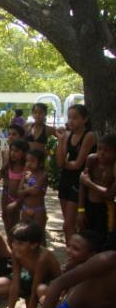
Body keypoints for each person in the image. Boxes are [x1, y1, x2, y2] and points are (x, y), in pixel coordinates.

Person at [0, 221, 62, 308]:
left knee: (40, 290)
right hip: (33, 279)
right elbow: (15, 283)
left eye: (20, 244)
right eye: (14, 242)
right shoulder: (16, 253)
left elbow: (34, 292)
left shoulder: (42, 258)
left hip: (50, 286)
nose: (15, 246)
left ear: (34, 244)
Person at [57, 104, 96, 243]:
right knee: (68, 225)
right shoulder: (68, 135)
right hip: (65, 179)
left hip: (79, 181)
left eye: (75, 118)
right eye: (69, 118)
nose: (71, 121)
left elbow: (78, 164)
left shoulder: (89, 135)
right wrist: (61, 141)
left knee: (69, 225)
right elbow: (60, 162)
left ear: (84, 119)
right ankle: (72, 256)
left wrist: (66, 164)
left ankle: (73, 258)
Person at [77, 133, 116, 247]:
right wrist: (80, 210)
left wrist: (89, 182)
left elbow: (110, 194)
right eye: (99, 149)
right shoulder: (92, 159)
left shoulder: (114, 167)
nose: (102, 153)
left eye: (107, 150)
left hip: (106, 209)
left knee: (102, 242)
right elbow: (82, 186)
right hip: (88, 206)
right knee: (84, 239)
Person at [0, 139, 29, 240]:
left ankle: (15, 239)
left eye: (17, 151)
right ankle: (10, 239)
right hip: (8, 195)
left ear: (24, 153)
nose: (13, 153)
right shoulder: (10, 164)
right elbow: (2, 172)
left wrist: (18, 203)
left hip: (19, 199)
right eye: (12, 150)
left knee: (15, 220)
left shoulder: (25, 168)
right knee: (6, 216)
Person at [18, 149, 48, 233]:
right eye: (27, 161)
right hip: (25, 208)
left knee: (39, 236)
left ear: (41, 163)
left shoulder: (43, 175)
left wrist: (26, 188)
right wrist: (28, 187)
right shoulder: (27, 175)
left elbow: (35, 192)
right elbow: (19, 192)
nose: (29, 163)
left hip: (38, 210)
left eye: (32, 161)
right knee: (25, 234)